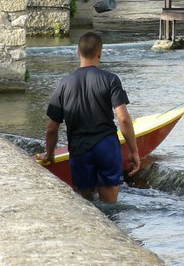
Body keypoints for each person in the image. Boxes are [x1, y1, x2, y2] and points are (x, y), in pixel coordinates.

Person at [37, 31, 140, 203]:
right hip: (106, 145)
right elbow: (123, 119)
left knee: (86, 204)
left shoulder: (64, 83)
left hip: (79, 148)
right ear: (100, 53)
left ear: (78, 52)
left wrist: (50, 154)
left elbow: (51, 128)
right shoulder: (111, 79)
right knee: (110, 206)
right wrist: (134, 150)